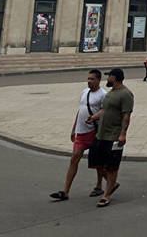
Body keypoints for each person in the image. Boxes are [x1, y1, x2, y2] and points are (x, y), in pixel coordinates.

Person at [49, 69, 107, 201]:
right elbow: (81, 110)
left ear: (98, 80)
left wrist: (93, 119)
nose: (89, 81)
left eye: (92, 79)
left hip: (94, 131)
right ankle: (65, 191)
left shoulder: (103, 94)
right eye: (88, 79)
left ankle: (101, 185)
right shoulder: (85, 92)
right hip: (81, 132)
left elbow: (105, 112)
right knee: (74, 158)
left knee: (98, 162)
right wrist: (74, 128)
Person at [89, 67, 133, 207]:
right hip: (101, 133)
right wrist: (93, 117)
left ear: (115, 78)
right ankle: (112, 183)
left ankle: (106, 195)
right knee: (96, 162)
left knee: (112, 167)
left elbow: (126, 115)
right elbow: (104, 110)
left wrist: (123, 134)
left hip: (113, 135)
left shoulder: (126, 94)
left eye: (109, 77)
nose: (107, 79)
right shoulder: (110, 93)